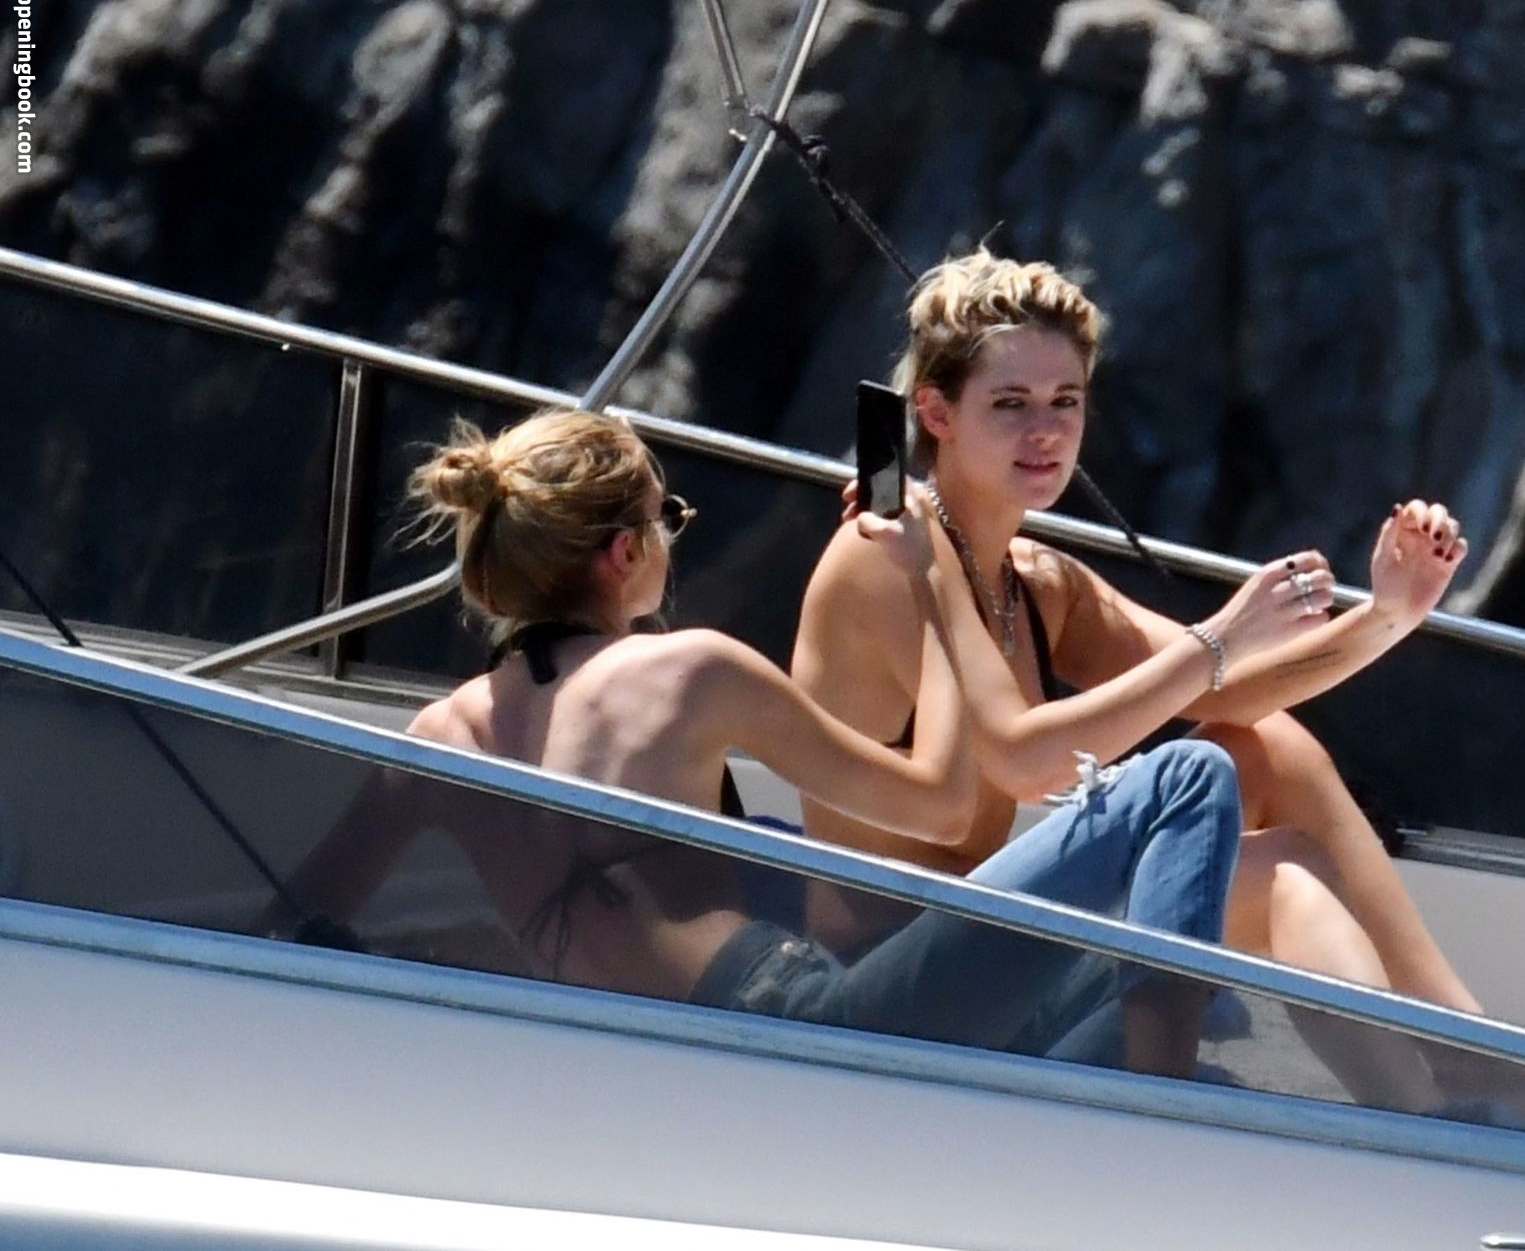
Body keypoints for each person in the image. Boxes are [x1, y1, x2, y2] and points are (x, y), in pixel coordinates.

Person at [266, 408, 1308, 1077]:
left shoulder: (436, 739)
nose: (671, 538)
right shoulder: (687, 671)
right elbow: (944, 804)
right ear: (624, 552)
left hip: (659, 1065)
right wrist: (934, 582)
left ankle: (1150, 1080)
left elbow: (295, 917)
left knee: (1151, 983)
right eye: (668, 517)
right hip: (807, 1026)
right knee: (1187, 777)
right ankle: (1159, 1113)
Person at [791, 249, 1479, 1031]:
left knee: (1267, 748)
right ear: (937, 414)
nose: (1045, 430)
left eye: (1066, 401)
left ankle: (1460, 1041)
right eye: (1011, 403)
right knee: (1280, 864)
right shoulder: (888, 554)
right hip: (895, 974)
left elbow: (1228, 690)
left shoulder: (1036, 580)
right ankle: (1443, 1072)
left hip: (995, 939)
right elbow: (1022, 759)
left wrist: (1388, 616)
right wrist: (1221, 634)